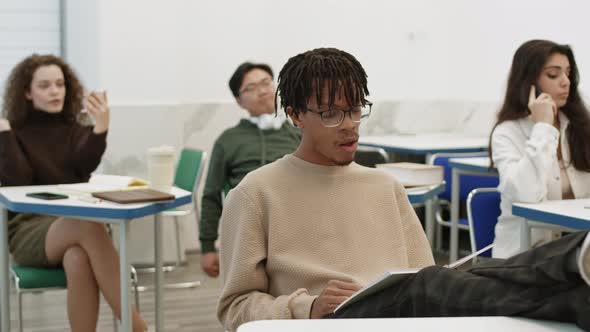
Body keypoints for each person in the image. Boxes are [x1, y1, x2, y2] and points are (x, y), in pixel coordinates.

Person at [217, 47, 590, 331]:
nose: (350, 125)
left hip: (405, 314)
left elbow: (428, 278)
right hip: (339, 321)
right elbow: (234, 307)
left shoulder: (383, 185)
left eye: (356, 109)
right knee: (431, 286)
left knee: (474, 276)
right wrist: (307, 306)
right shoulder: (256, 193)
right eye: (331, 113)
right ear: (297, 115)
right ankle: (575, 255)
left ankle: (579, 284)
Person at [0, 54, 147, 332]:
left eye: (59, 84)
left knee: (77, 258)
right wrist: (5, 133)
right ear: (27, 93)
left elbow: (84, 163)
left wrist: (101, 125)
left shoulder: (74, 129)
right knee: (87, 224)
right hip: (29, 229)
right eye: (44, 85)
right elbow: (16, 179)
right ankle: (138, 328)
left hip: (73, 225)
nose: (55, 91)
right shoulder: (13, 131)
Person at [489, 40, 590, 258]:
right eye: (553, 75)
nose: (566, 82)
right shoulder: (507, 133)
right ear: (529, 83)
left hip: (577, 253)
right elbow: (525, 194)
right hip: (526, 256)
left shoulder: (580, 127)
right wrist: (543, 127)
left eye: (568, 73)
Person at [199, 62, 300, 277]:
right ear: (239, 100)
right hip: (249, 225)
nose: (262, 91)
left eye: (266, 83)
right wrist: (207, 247)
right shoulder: (228, 141)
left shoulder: (299, 134)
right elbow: (211, 195)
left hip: (297, 223)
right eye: (251, 88)